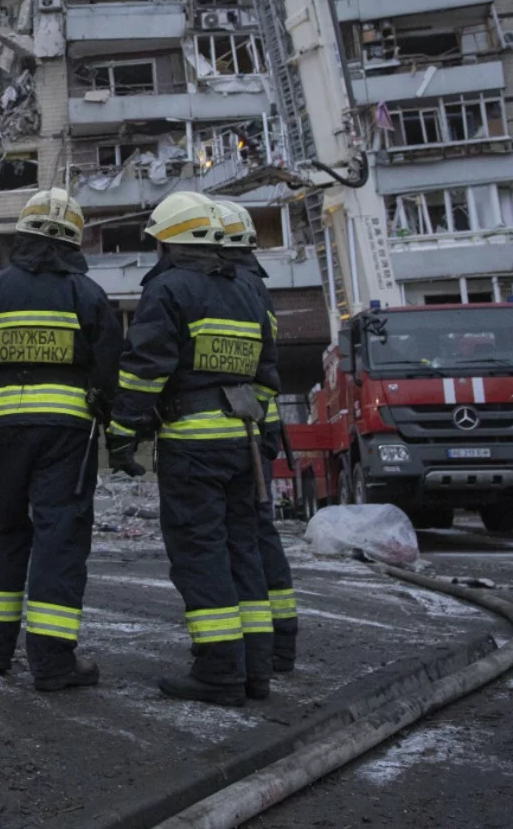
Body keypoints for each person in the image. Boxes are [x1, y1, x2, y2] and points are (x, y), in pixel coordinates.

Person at [107, 191, 276, 706]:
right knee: (242, 550)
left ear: (172, 242)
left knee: (200, 555)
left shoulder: (170, 290)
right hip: (243, 446)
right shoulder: (248, 292)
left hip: (191, 446)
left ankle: (219, 673)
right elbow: (267, 376)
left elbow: (145, 368)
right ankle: (255, 671)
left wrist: (123, 432)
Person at [0, 188, 121, 691]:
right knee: (58, 538)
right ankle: (52, 662)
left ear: (22, 236)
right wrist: (105, 418)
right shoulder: (87, 296)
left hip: (3, 434)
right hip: (67, 435)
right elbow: (110, 372)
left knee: (0, 533)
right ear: (73, 240)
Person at [210, 199, 298, 675]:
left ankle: (263, 648)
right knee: (259, 535)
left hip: (244, 425)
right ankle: (278, 645)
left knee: (248, 537)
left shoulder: (236, 285)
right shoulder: (256, 285)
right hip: (260, 422)